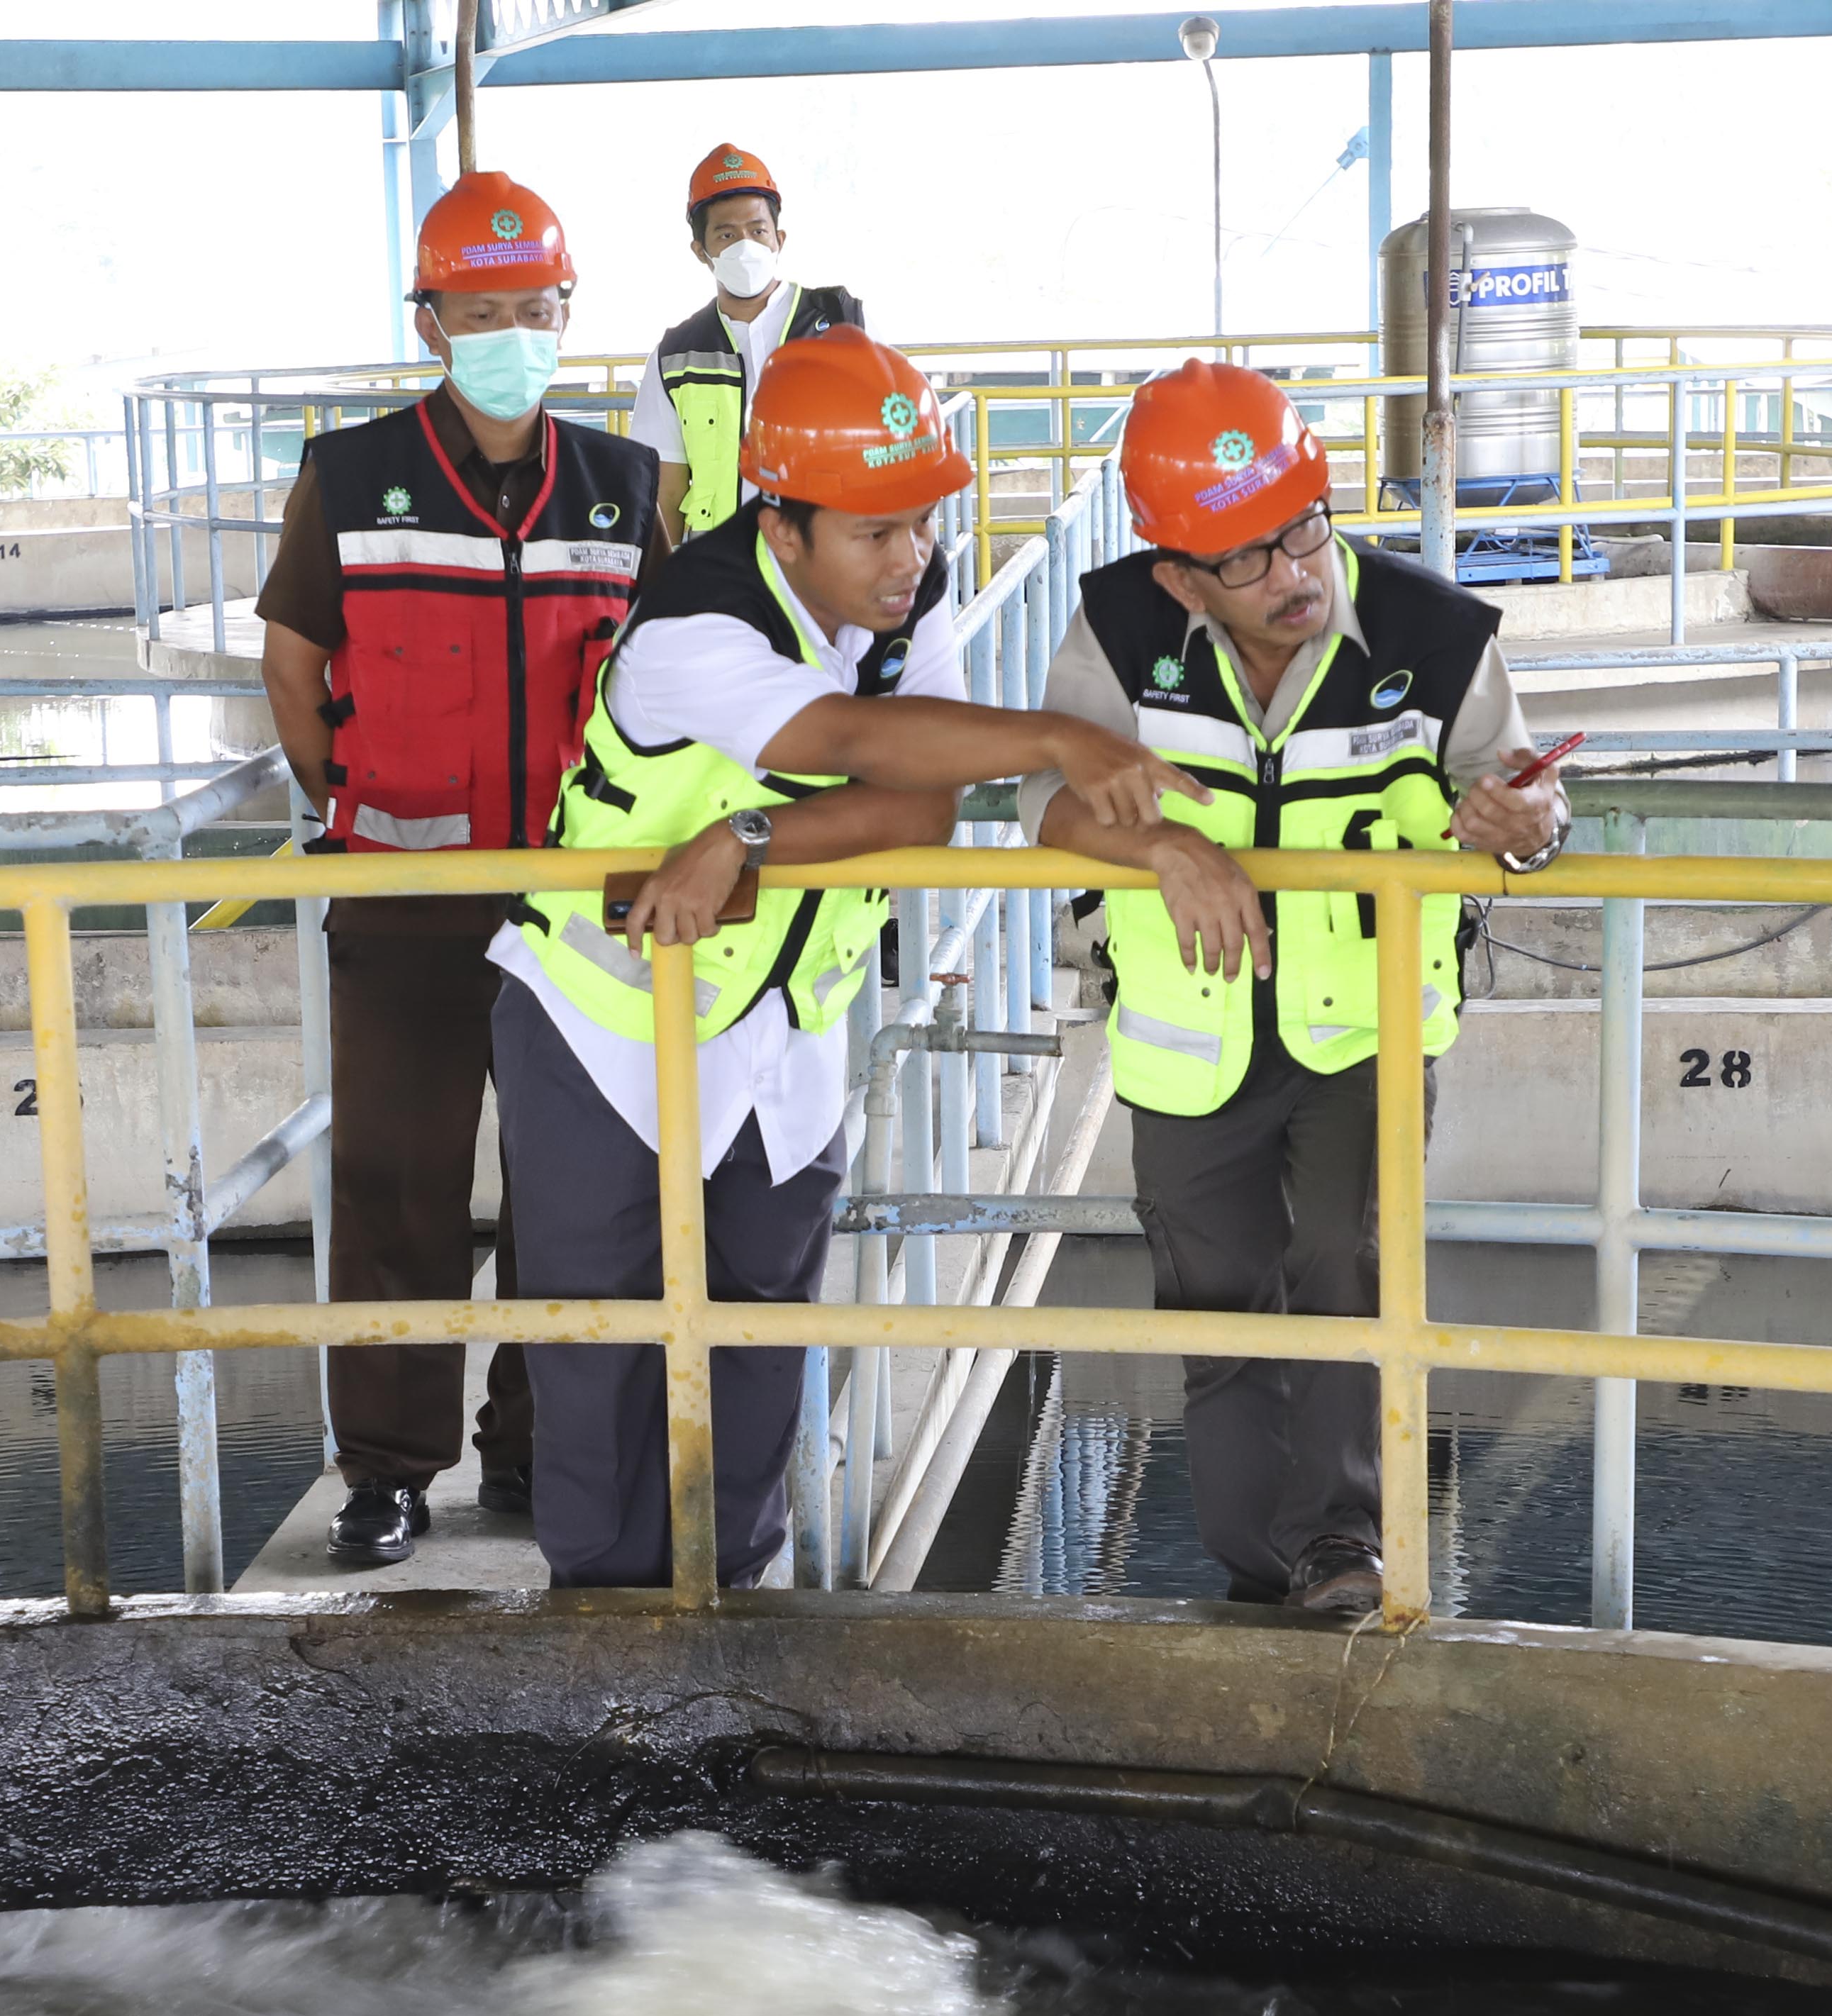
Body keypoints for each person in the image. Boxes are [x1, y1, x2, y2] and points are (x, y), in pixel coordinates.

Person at [494, 330, 1194, 1591]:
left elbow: (913, 808)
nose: (910, 556)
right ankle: (603, 1620)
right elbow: (850, 736)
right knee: (600, 1335)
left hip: (785, 1030)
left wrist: (743, 836)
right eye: (873, 531)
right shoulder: (693, 621)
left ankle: (738, 1597)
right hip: (604, 1020)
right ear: (785, 519)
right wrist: (1050, 737)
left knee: (765, 1328)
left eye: (921, 522)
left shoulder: (900, 604)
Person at [1023, 360, 1568, 1619]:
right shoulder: (1120, 633)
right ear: (1178, 574)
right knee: (1216, 1304)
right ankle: (1255, 1564)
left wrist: (1524, 816)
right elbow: (1038, 807)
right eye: (1251, 561)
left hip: (1363, 1026)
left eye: (1306, 533)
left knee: (1344, 1263)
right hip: (1188, 1032)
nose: (1296, 576)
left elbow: (1530, 800)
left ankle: (1339, 1549)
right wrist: (1159, 844)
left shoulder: (1435, 636)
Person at [255, 170, 660, 1567]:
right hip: (404, 900)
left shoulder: (622, 488)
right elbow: (297, 672)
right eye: (478, 310)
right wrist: (361, 812)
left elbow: (664, 690)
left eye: (531, 309)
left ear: (567, 313)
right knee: (396, 1191)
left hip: (573, 912)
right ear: (430, 323)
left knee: (572, 1193)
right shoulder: (350, 477)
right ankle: (385, 1473)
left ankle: (537, 1453)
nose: (508, 332)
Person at [636, 142, 867, 545]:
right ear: (701, 251)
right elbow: (665, 492)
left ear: (778, 238)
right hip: (717, 574)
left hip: (822, 566)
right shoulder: (675, 357)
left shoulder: (842, 324)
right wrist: (660, 595)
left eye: (757, 231)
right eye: (726, 234)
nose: (746, 245)